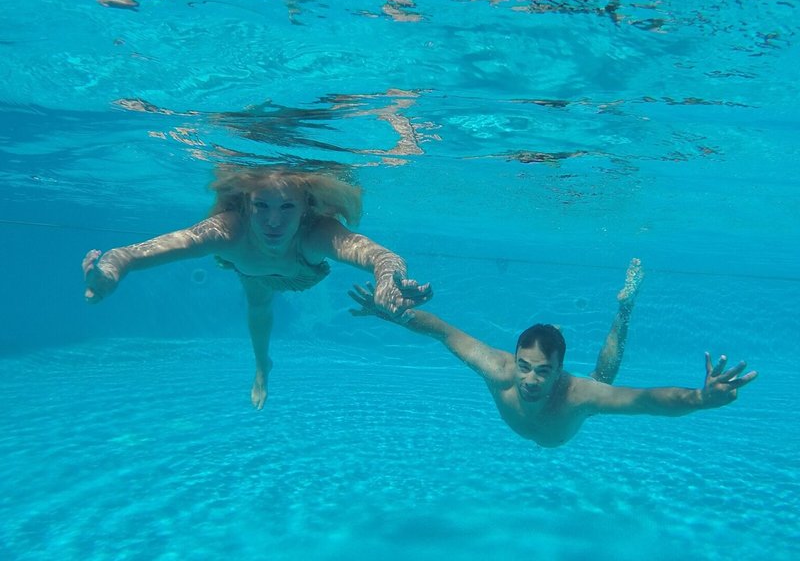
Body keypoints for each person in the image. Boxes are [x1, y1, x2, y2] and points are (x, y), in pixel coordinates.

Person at [83, 165, 432, 409]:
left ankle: (265, 362)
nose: (274, 221)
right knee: (259, 307)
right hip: (252, 272)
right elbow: (135, 252)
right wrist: (112, 270)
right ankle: (262, 365)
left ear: (306, 208)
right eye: (261, 206)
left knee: (262, 303)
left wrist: (387, 280)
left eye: (287, 207)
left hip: (301, 270)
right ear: (246, 206)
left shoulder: (316, 233)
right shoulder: (227, 230)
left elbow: (381, 256)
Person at [348, 258, 757, 448]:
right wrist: (393, 314)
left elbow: (647, 400)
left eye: (543, 372)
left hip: (580, 396)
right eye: (524, 366)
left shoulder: (578, 394)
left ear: (561, 371)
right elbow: (441, 330)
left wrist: (701, 399)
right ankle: (562, 329)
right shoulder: (498, 369)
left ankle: (624, 307)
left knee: (604, 381)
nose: (529, 380)